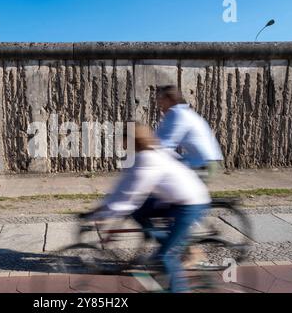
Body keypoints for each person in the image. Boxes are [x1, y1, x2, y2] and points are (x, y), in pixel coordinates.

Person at [86, 124, 211, 293]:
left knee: (165, 256)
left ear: (132, 141)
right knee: (139, 212)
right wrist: (103, 207)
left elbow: (130, 197)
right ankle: (159, 236)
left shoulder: (147, 160)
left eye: (123, 140)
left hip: (190, 204)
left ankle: (179, 288)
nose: (120, 144)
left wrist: (103, 213)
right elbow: (123, 185)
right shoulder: (146, 154)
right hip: (173, 199)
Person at [155, 85, 223, 183]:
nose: (159, 104)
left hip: (202, 165)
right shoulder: (184, 112)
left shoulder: (177, 114)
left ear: (169, 100)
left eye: (161, 100)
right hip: (206, 162)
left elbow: (164, 144)